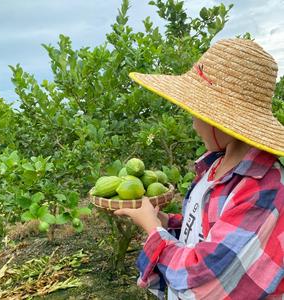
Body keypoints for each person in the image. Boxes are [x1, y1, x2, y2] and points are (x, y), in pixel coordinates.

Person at [114, 38, 284, 299]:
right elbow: (211, 231)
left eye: (197, 114)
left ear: (221, 120)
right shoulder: (215, 165)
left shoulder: (262, 188)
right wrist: (165, 222)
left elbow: (202, 279)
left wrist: (152, 230)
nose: (194, 124)